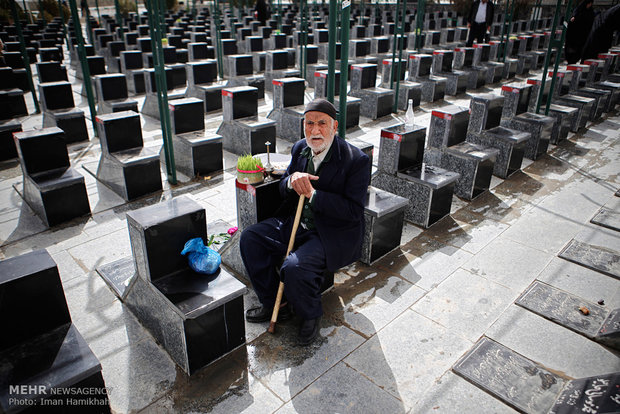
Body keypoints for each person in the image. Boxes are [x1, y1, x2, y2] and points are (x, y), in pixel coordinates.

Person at [239, 99, 370, 346]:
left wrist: (314, 194)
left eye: (322, 123)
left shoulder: (356, 160)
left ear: (335, 126)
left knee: (295, 268)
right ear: (303, 126)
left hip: (329, 232)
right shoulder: (300, 148)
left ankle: (311, 315)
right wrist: (291, 181)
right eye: (309, 123)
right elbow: (284, 184)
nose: (315, 130)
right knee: (250, 239)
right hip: (296, 221)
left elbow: (353, 211)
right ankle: (275, 303)